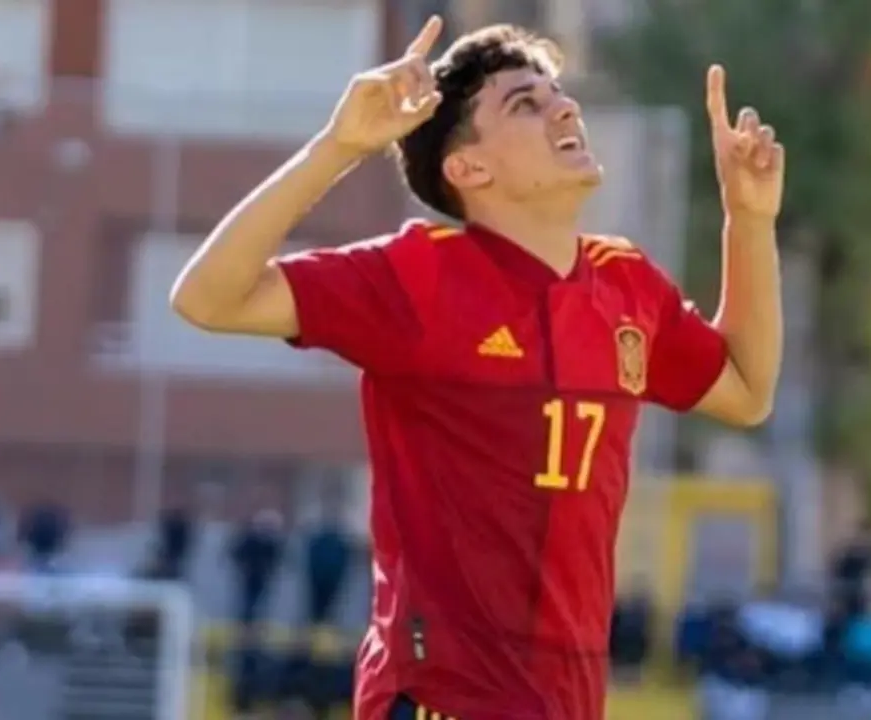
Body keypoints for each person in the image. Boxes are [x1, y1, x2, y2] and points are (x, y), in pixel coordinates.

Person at [169, 16, 784, 720]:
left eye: (558, 95)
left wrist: (749, 218)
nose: (564, 109)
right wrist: (338, 147)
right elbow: (206, 297)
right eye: (525, 103)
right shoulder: (419, 276)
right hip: (441, 699)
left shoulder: (627, 284)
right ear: (468, 169)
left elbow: (747, 391)